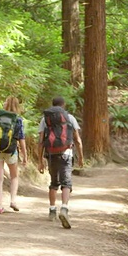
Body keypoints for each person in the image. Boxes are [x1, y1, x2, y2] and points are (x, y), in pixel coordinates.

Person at [37, 96, 84, 229]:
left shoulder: (45, 120)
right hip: (66, 153)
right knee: (66, 183)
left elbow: (40, 142)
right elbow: (78, 140)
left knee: (53, 183)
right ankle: (64, 208)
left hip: (51, 154)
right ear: (63, 106)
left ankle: (52, 210)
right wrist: (80, 157)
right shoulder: (70, 118)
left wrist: (40, 161)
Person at [0, 96, 28, 214]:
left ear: (5, 104)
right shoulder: (18, 119)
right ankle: (13, 201)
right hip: (11, 151)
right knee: (14, 177)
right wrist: (25, 156)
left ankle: (0, 206)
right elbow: (21, 139)